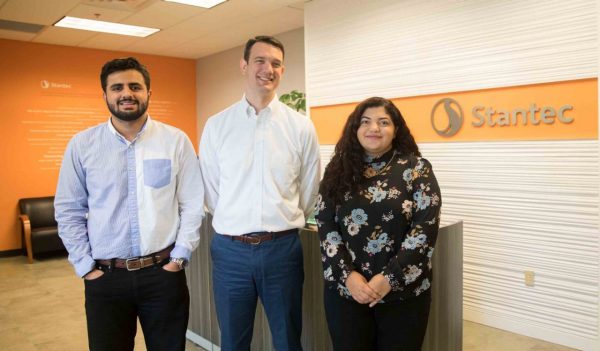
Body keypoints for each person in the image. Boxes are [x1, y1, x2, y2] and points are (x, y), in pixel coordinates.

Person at [54, 57, 204, 351]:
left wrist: (180, 256)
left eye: (135, 86)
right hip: (105, 279)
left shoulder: (175, 141)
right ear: (106, 95)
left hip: (163, 275)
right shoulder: (82, 145)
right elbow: (68, 210)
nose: (127, 93)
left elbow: (192, 202)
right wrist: (86, 267)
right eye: (117, 87)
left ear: (149, 92)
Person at [199, 36, 321, 351]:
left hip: (281, 249)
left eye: (276, 63)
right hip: (230, 252)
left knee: (287, 339)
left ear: (282, 70)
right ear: (244, 65)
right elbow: (212, 192)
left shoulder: (300, 127)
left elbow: (308, 190)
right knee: (233, 341)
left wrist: (282, 218)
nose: (268, 69)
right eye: (260, 61)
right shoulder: (217, 126)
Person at [315, 97, 441, 351]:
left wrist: (388, 279)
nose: (374, 128)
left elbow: (424, 229)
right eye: (366, 122)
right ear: (355, 128)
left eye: (383, 122)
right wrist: (348, 276)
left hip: (403, 295)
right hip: (346, 292)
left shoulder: (416, 169)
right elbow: (325, 224)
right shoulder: (336, 169)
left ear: (396, 130)